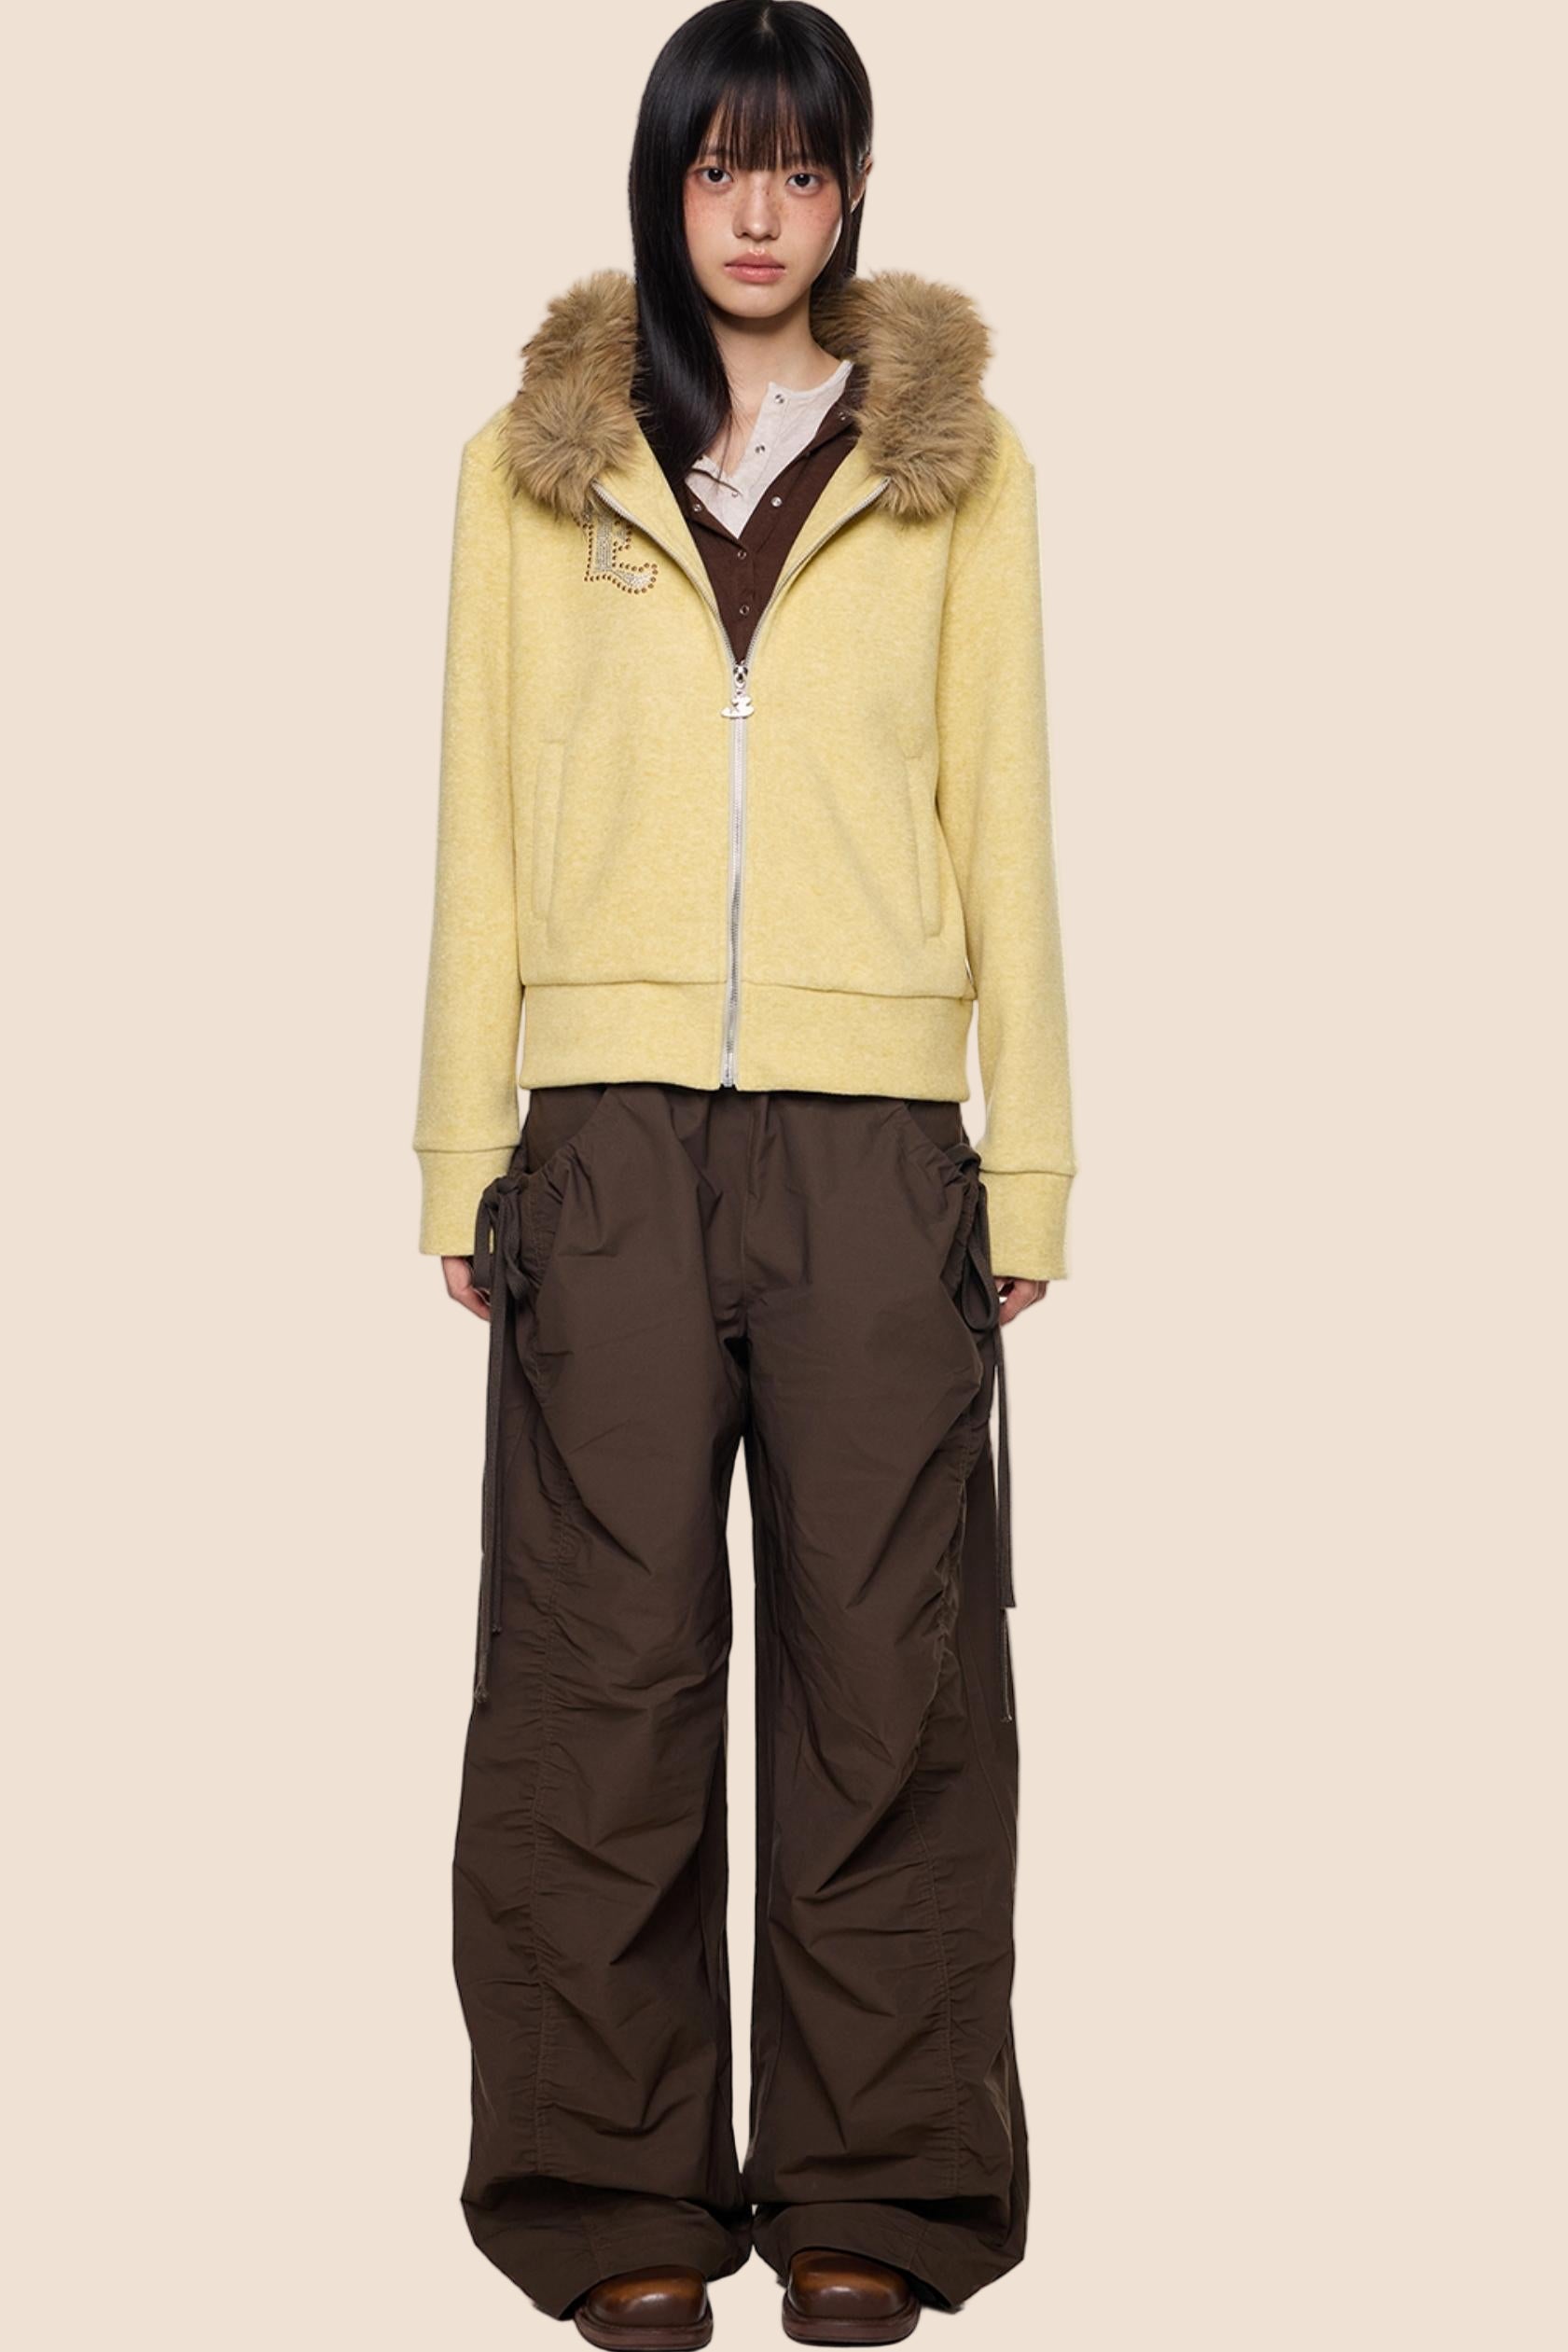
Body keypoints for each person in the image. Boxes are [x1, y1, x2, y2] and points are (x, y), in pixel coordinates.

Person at [410, 4, 1075, 2343]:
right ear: (666, 187)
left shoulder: (955, 469)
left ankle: (875, 2181)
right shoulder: (531, 470)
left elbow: (1005, 810)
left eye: (800, 169)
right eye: (721, 169)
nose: (761, 212)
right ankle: (608, 2191)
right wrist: (464, 1142)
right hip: (598, 1139)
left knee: (888, 1677)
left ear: (853, 191)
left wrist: (1027, 1162)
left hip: (876, 1143)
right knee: (594, 1673)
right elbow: (480, 818)